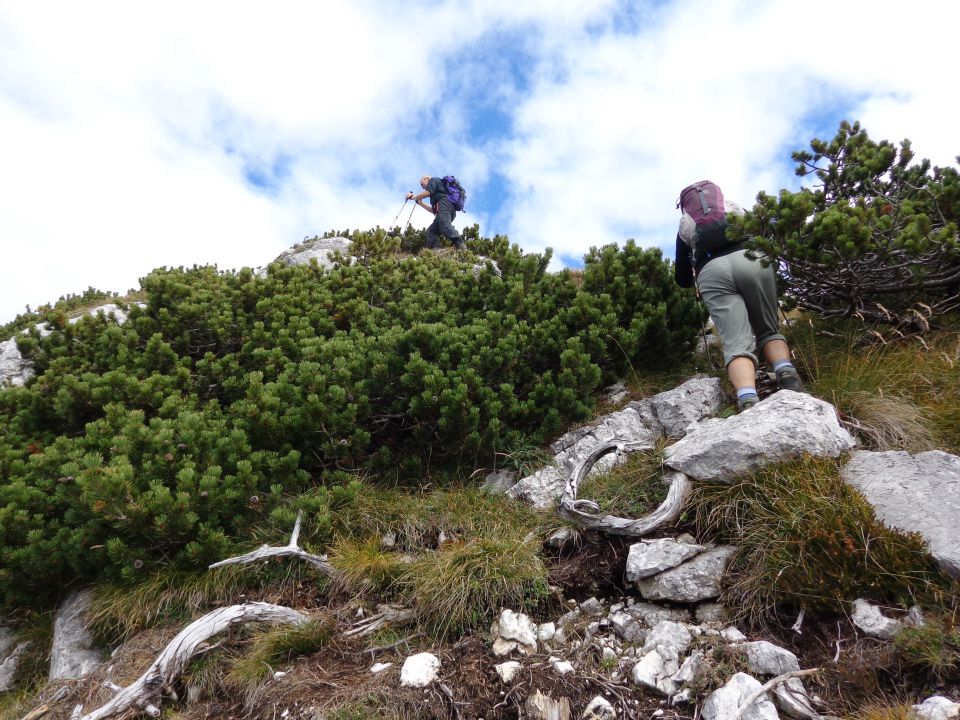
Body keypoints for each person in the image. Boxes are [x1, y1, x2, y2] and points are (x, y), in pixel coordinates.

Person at [674, 182, 804, 412]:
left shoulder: (685, 225)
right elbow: (764, 234)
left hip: (711, 271)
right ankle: (785, 373)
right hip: (751, 258)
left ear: (684, 205)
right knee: (768, 329)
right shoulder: (734, 208)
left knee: (735, 343)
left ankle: (748, 399)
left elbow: (683, 278)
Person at [406, 176, 466, 250]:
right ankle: (434, 251)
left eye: (422, 184)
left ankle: (461, 245)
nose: (422, 187)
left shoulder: (433, 180)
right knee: (431, 231)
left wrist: (414, 197)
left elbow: (428, 192)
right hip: (445, 210)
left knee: (445, 227)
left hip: (444, 205)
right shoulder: (437, 196)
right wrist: (420, 203)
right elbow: (434, 211)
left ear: (427, 179)